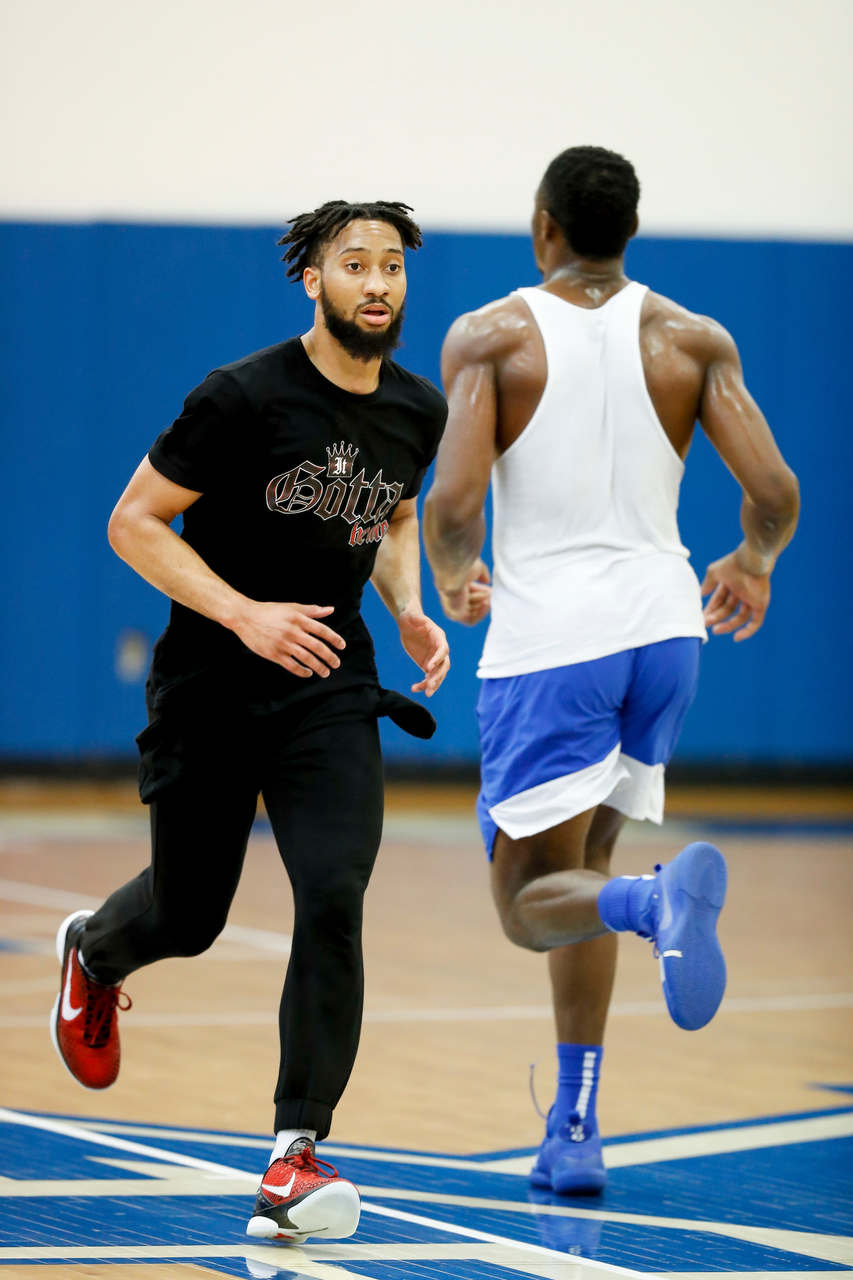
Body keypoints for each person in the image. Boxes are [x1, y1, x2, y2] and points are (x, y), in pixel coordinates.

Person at [50, 200, 450, 1242]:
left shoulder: (418, 409)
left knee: (333, 893)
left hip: (329, 683)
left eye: (392, 266)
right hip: (212, 684)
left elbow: (395, 514)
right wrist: (240, 612)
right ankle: (95, 952)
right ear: (310, 281)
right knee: (190, 915)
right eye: (353, 264)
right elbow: (132, 520)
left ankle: (293, 1153)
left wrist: (408, 605)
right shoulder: (241, 396)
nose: (376, 282)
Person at [424, 147, 799, 1196]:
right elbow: (773, 488)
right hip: (663, 632)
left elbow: (452, 507)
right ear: (627, 229)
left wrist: (455, 576)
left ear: (543, 224)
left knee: (525, 899)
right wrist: (753, 561)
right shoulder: (691, 338)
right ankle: (575, 1128)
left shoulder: (489, 336)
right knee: (579, 877)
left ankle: (653, 902)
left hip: (554, 643)